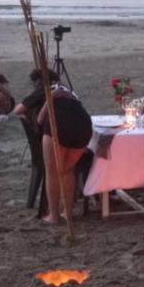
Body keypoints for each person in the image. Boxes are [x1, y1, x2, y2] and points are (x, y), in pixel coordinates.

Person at [38, 84, 92, 225]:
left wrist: (50, 97)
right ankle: (68, 213)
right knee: (68, 171)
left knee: (53, 174)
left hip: (59, 126)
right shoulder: (72, 95)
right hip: (84, 126)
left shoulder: (50, 93)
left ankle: (54, 216)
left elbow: (40, 119)